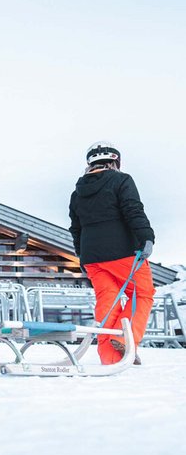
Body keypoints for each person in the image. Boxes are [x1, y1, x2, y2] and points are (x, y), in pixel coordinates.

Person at [69, 141, 155, 365]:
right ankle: (125, 341)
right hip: (123, 251)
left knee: (108, 301)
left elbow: (76, 228)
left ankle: (110, 356)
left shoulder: (77, 192)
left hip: (92, 257)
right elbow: (132, 208)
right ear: (115, 160)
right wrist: (147, 236)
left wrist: (81, 255)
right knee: (143, 294)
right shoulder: (121, 180)